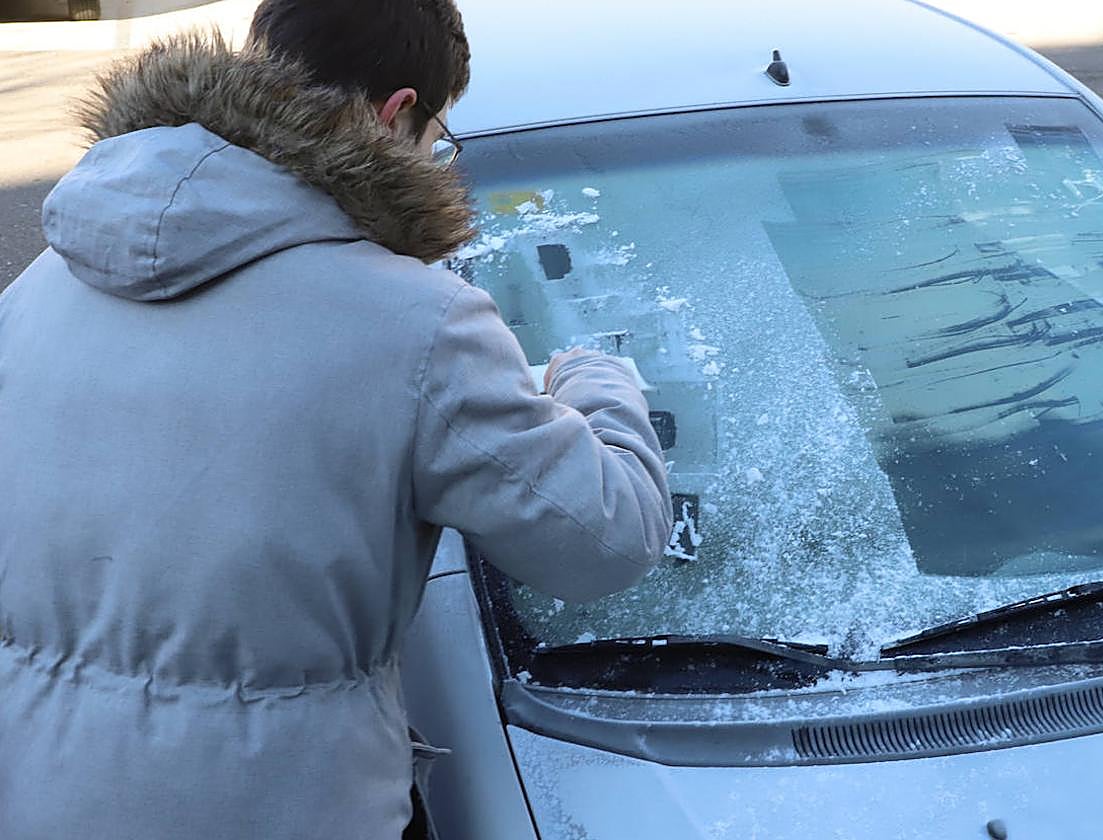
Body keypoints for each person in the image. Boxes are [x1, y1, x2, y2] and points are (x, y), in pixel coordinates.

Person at [0, 0, 672, 836]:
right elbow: (605, 540)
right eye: (439, 136)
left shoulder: (43, 284)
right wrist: (596, 379)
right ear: (397, 114)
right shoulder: (418, 323)